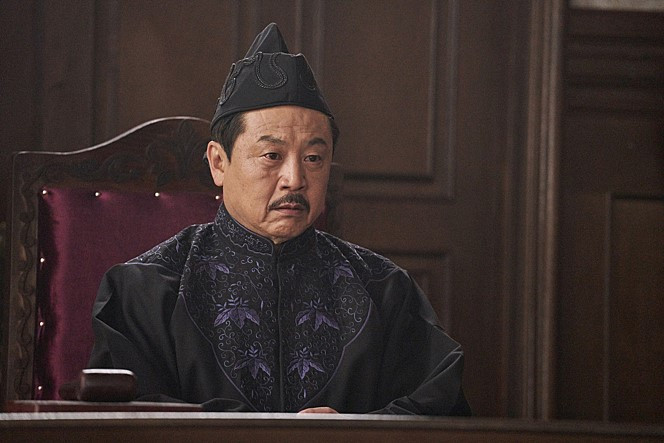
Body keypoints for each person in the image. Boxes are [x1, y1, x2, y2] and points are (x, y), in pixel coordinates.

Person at [88, 23, 471, 415]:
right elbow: (123, 418)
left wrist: (356, 431)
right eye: (272, 156)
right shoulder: (146, 290)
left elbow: (443, 411)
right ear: (219, 163)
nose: (295, 179)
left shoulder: (384, 290)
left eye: (313, 158)